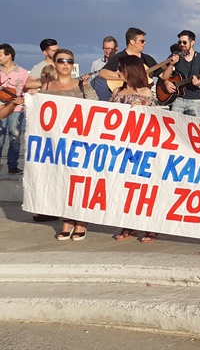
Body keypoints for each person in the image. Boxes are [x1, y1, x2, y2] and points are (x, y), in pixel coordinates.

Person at [40, 49, 99, 241]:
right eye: (61, 61)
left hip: (80, 143)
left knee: (79, 182)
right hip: (55, 143)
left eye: (69, 61)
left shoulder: (82, 86)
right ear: (54, 63)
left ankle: (81, 221)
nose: (65, 64)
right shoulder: (46, 86)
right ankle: (67, 219)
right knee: (61, 183)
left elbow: (97, 110)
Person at [109, 55, 158, 243]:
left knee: (144, 187)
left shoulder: (146, 92)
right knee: (124, 187)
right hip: (122, 146)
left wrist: (142, 107)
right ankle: (128, 225)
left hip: (142, 147)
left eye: (120, 69)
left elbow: (155, 120)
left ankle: (150, 226)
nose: (118, 72)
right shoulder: (117, 92)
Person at [160, 30, 200, 117]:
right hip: (177, 99)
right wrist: (166, 82)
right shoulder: (176, 55)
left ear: (192, 42)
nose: (181, 44)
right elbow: (161, 69)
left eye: (184, 42)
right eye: (180, 42)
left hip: (194, 100)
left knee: (193, 125)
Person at [0, 43, 29, 175]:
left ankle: (12, 166)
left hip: (16, 108)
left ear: (9, 55)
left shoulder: (22, 72)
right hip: (0, 107)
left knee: (15, 136)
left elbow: (28, 89)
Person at [89, 36, 118, 101]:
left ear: (116, 49)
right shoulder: (95, 64)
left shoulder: (121, 63)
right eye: (105, 48)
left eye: (110, 49)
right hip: (100, 98)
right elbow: (93, 83)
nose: (107, 51)